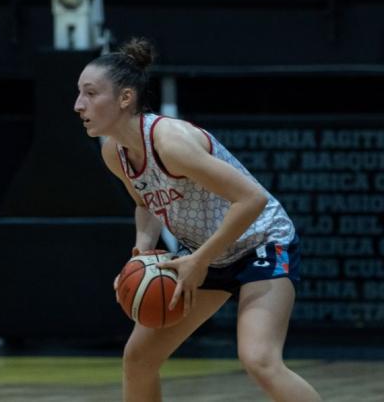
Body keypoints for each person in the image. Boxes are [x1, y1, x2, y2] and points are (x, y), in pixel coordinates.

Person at [74, 38, 321, 402]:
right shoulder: (115, 152)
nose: (79, 104)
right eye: (79, 93)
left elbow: (252, 199)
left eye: (90, 94)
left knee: (259, 359)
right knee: (139, 359)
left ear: (125, 98)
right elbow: (145, 205)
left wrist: (200, 260)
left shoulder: (170, 142)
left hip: (261, 242)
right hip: (204, 254)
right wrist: (140, 255)